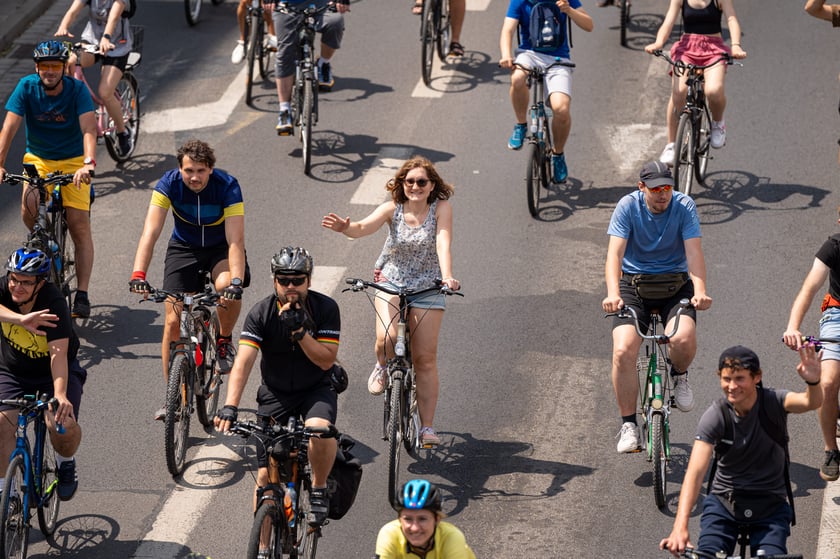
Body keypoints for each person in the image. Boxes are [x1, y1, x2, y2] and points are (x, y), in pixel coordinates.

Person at [321, 156, 459, 447]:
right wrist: (346, 227)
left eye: (422, 182)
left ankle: (426, 428)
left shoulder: (441, 209)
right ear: (401, 185)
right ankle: (382, 366)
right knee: (387, 337)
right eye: (410, 182)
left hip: (428, 284)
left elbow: (442, 242)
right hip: (392, 279)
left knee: (425, 359)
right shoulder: (392, 209)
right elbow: (361, 228)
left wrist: (447, 276)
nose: (415, 187)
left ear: (432, 185)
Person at [215, 247, 340, 529]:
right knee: (265, 482)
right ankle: (261, 549)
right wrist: (230, 405)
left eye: (298, 280)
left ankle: (319, 488)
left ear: (309, 279)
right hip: (275, 394)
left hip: (315, 389)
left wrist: (299, 333)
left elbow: (325, 361)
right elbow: (244, 362)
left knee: (320, 429)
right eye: (284, 280)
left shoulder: (326, 309)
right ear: (274, 281)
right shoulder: (261, 313)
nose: (291, 287)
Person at [660, 345, 822, 557]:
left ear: (756, 377)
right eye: (726, 379)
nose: (732, 386)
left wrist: (813, 382)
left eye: (739, 378)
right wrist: (679, 528)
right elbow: (695, 472)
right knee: (707, 553)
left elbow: (811, 402)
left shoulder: (774, 401)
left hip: (770, 505)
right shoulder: (716, 415)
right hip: (724, 504)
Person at [128, 139, 248, 421]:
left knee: (225, 288)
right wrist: (138, 274)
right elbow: (151, 231)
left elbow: (235, 240)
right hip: (184, 248)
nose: (194, 177)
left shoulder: (228, 186)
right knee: (172, 320)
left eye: (201, 171)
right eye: (189, 170)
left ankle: (223, 339)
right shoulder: (168, 184)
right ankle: (172, 397)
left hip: (220, 249)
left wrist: (236, 281)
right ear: (180, 168)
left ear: (211, 170)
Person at [602, 161, 712, 453]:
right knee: (624, 350)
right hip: (633, 286)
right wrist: (613, 293)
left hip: (675, 284)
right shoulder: (627, 207)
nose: (663, 194)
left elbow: (694, 252)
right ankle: (629, 425)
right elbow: (615, 255)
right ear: (642, 188)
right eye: (656, 189)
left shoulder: (684, 205)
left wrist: (700, 291)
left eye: (667, 188)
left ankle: (679, 375)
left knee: (683, 338)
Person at [0, 40, 97, 319]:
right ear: (37, 68)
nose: (50, 71)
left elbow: (89, 128)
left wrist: (88, 163)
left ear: (64, 67)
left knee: (79, 226)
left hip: (74, 161)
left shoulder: (77, 90)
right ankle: (48, 244)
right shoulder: (26, 87)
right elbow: (9, 126)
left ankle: (83, 293)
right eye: (45, 66)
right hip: (39, 159)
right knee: (28, 209)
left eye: (55, 66)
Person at [0, 247, 87, 502]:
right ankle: (8, 493)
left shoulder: (54, 304)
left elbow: (57, 356)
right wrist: (20, 319)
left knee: (60, 425)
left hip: (53, 374)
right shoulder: (6, 287)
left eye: (26, 282)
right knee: (2, 425)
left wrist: (59, 395)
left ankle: (65, 462)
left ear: (40, 282)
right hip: (13, 371)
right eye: (14, 278)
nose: (17, 286)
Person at [499, 0, 592, 184]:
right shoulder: (520, 1)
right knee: (517, 79)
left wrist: (569, 10)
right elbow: (507, 30)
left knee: (561, 110)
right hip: (529, 53)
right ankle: (521, 125)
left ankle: (558, 154)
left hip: (558, 59)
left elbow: (589, 25)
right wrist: (506, 54)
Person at [644, 0, 746, 166]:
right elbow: (668, 21)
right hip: (686, 49)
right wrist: (659, 43)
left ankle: (718, 123)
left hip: (714, 49)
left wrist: (735, 46)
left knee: (713, 91)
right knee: (679, 92)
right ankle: (672, 144)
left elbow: (732, 19)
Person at [782, 207, 840, 481]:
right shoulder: (833, 246)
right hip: (837, 315)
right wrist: (793, 327)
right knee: (828, 383)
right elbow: (808, 289)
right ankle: (831, 449)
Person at [55, 0, 135, 157]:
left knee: (105, 92)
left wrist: (106, 37)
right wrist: (63, 27)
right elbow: (73, 11)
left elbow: (113, 17)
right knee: (70, 62)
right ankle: (75, 105)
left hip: (116, 46)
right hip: (91, 41)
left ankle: (122, 132)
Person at [273, 0, 351, 135]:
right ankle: (284, 110)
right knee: (285, 53)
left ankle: (323, 63)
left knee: (336, 22)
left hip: (320, 6)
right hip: (286, 7)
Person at [374, 479, 476, 559]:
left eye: (422, 519)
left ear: (437, 519)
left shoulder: (451, 537)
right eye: (408, 519)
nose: (414, 528)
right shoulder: (389, 534)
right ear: (400, 519)